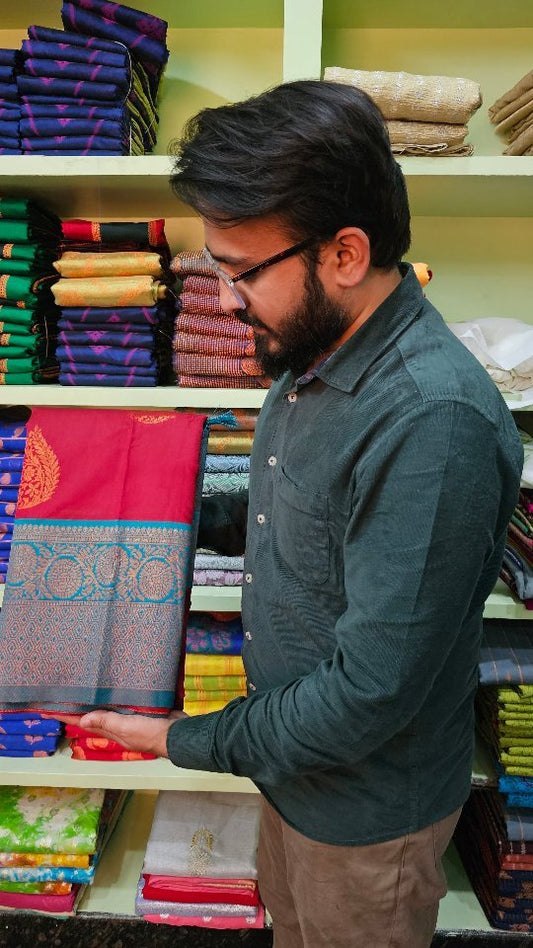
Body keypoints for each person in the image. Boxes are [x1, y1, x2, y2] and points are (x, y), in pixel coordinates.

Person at [50, 81, 523, 946]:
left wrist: (180, 740)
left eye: (240, 273)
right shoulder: (310, 361)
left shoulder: (432, 423)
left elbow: (366, 695)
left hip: (366, 818)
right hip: (294, 779)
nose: (225, 301)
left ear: (345, 254)